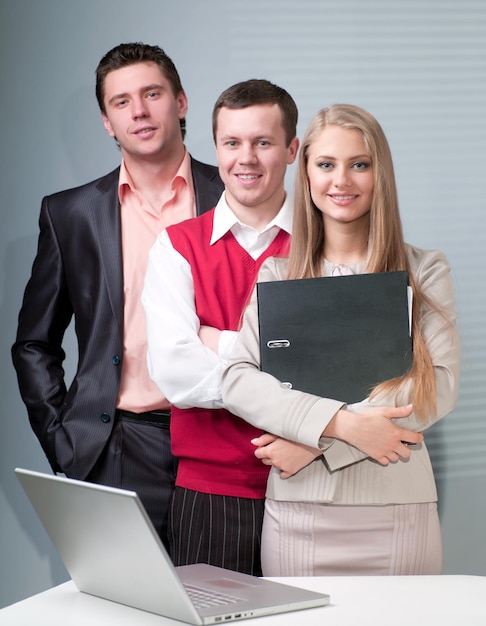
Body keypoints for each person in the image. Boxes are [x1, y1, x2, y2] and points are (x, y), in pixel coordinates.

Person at [222, 104, 460, 576]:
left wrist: (319, 442)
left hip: (398, 506)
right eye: (326, 164)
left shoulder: (425, 270)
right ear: (306, 173)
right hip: (298, 514)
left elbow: (439, 386)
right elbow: (237, 379)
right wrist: (344, 425)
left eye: (360, 164)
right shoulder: (277, 274)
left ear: (380, 175)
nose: (341, 181)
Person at [11, 42, 224, 549]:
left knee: (229, 599)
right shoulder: (71, 214)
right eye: (122, 102)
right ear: (107, 121)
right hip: (119, 445)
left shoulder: (232, 195)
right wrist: (65, 441)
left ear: (181, 101)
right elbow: (33, 344)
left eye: (152, 94)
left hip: (222, 435)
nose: (140, 111)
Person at [142, 79, 299, 575]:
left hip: (315, 486)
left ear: (292, 150)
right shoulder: (176, 247)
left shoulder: (328, 246)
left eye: (263, 142)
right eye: (232, 143)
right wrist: (278, 363)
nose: (245, 158)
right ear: (216, 148)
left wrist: (219, 344)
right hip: (211, 496)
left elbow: (346, 370)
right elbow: (176, 374)